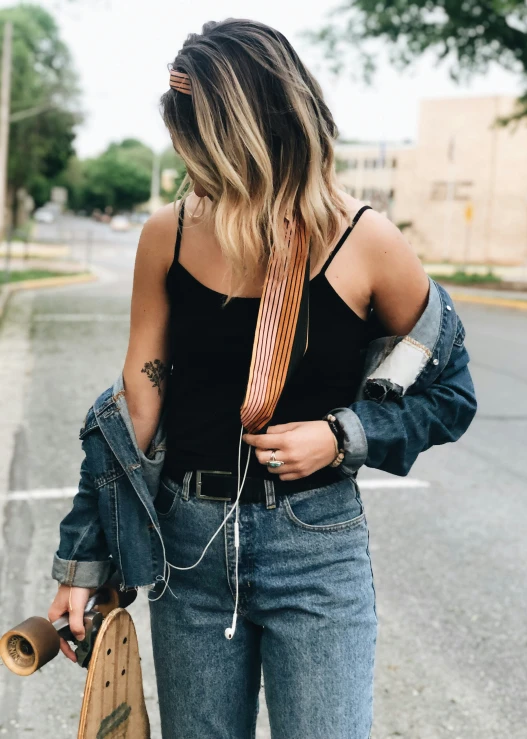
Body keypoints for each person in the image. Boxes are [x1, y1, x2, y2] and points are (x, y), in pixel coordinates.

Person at [47, 18, 477, 739]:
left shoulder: (363, 241)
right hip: (188, 550)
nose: (193, 163)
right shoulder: (170, 234)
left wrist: (343, 436)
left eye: (198, 140)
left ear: (243, 131)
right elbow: (132, 416)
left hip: (315, 551)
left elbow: (451, 393)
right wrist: (83, 557)